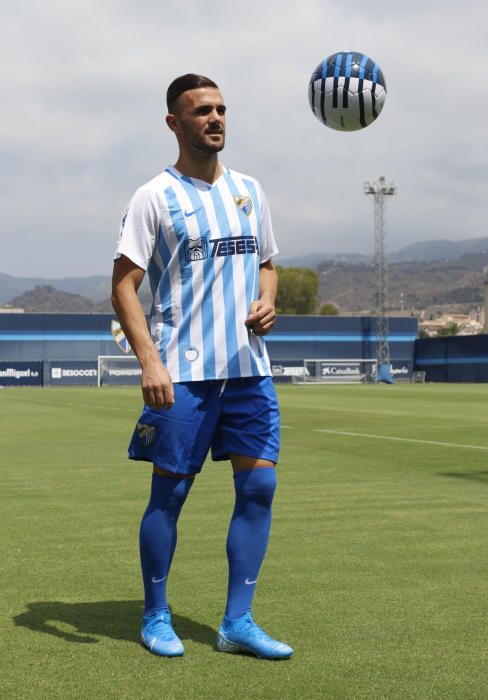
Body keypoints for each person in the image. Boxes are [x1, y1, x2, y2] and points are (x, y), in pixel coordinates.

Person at [111, 73, 292, 660]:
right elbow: (123, 284)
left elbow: (267, 263)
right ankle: (155, 613)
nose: (215, 118)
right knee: (170, 495)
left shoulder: (250, 190)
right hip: (183, 374)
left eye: (220, 109)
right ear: (174, 123)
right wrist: (149, 362)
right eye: (200, 111)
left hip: (248, 368)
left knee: (259, 485)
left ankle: (238, 622)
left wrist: (268, 300)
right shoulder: (153, 197)